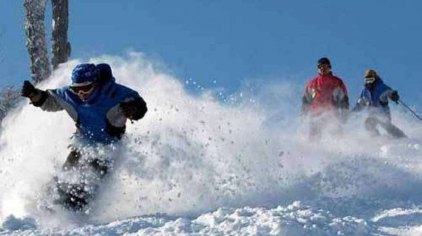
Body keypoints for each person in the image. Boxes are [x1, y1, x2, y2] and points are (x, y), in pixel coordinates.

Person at [21, 63, 148, 211]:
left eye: (86, 88)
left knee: (86, 184)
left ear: (96, 84)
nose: (81, 93)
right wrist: (34, 95)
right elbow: (50, 101)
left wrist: (134, 110)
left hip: (108, 150)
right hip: (82, 145)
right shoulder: (70, 95)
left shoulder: (113, 93)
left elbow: (140, 105)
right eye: (77, 88)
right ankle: (45, 210)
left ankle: (73, 215)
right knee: (64, 179)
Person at [301, 57, 349, 139]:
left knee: (335, 135)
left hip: (332, 113)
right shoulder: (312, 83)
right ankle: (313, 149)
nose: (322, 69)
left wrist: (344, 113)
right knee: (314, 137)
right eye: (320, 67)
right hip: (316, 114)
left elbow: (343, 99)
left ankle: (338, 148)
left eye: (325, 66)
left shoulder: (337, 82)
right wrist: (303, 113)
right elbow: (306, 100)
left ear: (329, 67)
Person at [352, 69, 406, 138]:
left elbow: (389, 92)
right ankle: (377, 139)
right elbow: (360, 104)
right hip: (373, 114)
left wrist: (393, 95)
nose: (369, 82)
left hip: (383, 113)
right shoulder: (365, 91)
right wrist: (351, 113)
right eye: (367, 80)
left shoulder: (381, 87)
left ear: (375, 78)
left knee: (386, 125)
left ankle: (401, 137)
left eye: (371, 79)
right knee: (368, 124)